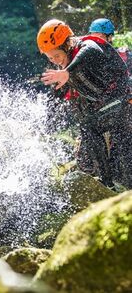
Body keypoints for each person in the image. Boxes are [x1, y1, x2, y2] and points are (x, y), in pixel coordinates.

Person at [37, 19, 132, 189]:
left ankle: (110, 184)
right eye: (51, 58)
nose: (56, 61)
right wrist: (43, 125)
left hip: (122, 99)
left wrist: (67, 72)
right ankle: (108, 185)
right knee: (90, 132)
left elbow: (89, 52)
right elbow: (56, 97)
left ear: (67, 44)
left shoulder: (87, 45)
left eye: (57, 56)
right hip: (108, 107)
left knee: (109, 139)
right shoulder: (64, 67)